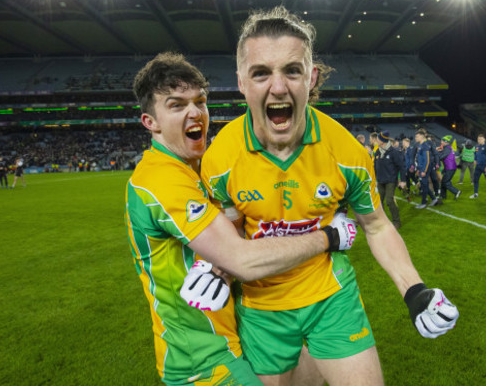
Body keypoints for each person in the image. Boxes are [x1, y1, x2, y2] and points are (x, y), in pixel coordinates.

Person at [198, 7, 458, 386]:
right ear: (241, 81)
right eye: (261, 73)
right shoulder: (219, 159)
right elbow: (229, 229)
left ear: (311, 76)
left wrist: (414, 289)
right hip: (260, 306)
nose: (278, 87)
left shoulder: (348, 152)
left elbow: (377, 225)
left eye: (292, 70)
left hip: (331, 296)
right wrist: (215, 267)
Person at [126, 52, 357, 385]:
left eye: (200, 101)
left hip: (233, 337)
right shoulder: (160, 180)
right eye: (177, 105)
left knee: (315, 355)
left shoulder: (198, 169)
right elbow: (243, 260)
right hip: (203, 360)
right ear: (151, 122)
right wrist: (329, 237)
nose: (195, 112)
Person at [374, 131, 407, 228]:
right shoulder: (377, 151)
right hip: (380, 181)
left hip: (390, 180)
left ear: (382, 141)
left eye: (378, 139)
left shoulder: (394, 152)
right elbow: (375, 166)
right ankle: (382, 221)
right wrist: (376, 179)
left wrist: (403, 180)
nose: (376, 140)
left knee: (389, 201)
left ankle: (396, 221)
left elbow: (401, 166)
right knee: (379, 203)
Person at [414, 130, 438, 208]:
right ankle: (433, 199)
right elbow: (420, 159)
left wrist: (424, 170)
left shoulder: (424, 146)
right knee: (424, 185)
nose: (415, 138)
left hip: (425, 168)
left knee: (424, 185)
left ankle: (424, 203)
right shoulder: (420, 145)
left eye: (417, 136)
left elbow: (427, 160)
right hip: (421, 168)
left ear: (422, 136)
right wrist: (418, 169)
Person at [437, 135, 461, 200]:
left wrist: (436, 154)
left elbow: (442, 156)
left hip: (450, 168)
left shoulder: (447, 148)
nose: (441, 142)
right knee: (443, 182)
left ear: (446, 142)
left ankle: (456, 191)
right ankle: (443, 196)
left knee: (445, 182)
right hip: (449, 167)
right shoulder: (447, 148)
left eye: (442, 141)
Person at [470, 134, 486, 198]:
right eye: (478, 139)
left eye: (481, 139)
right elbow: (475, 154)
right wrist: (475, 159)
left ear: (484, 139)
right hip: (478, 166)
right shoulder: (476, 146)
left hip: (485, 166)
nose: (479, 140)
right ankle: (475, 194)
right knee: (475, 180)